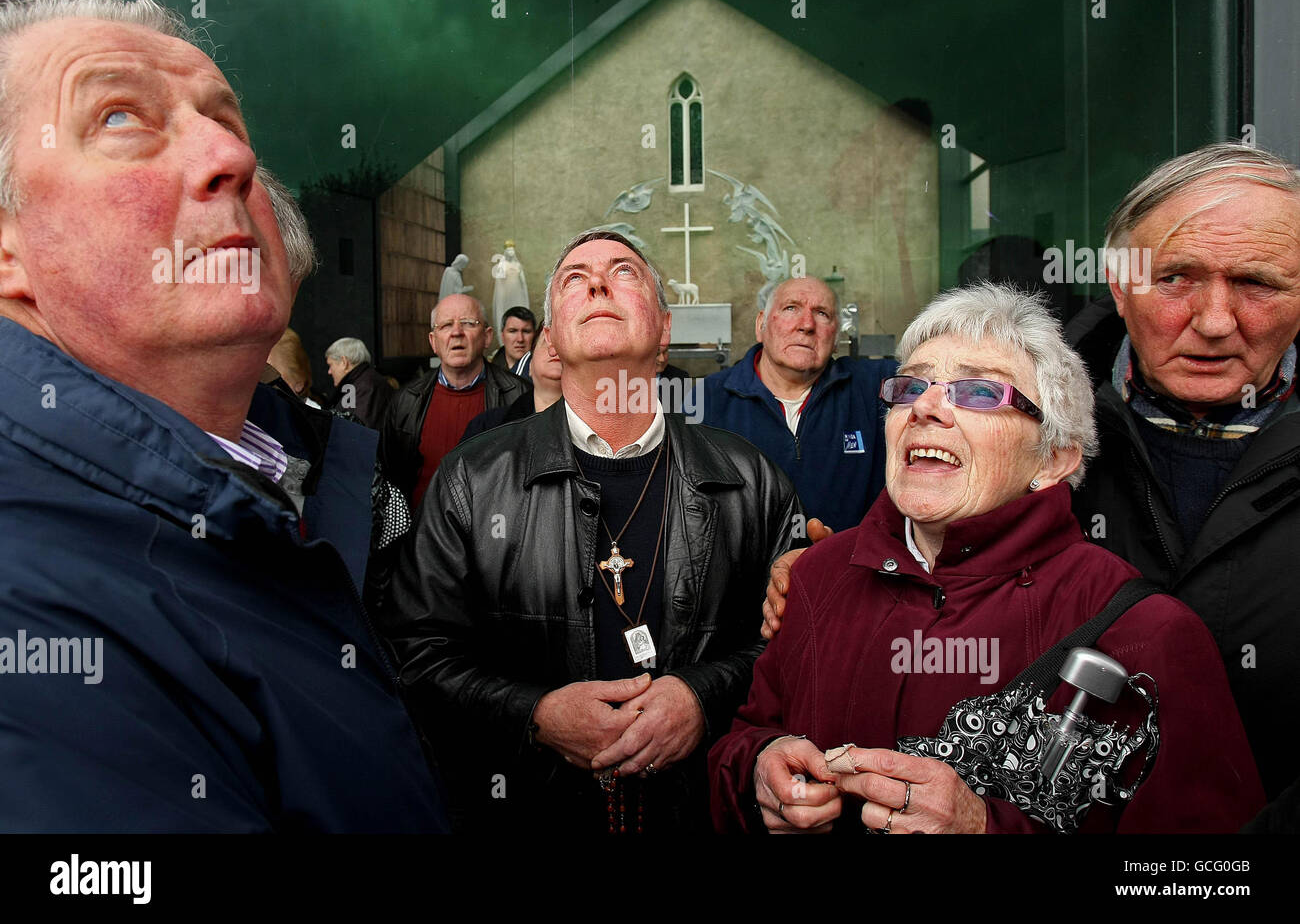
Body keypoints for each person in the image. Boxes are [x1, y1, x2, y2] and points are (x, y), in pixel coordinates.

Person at [0, 0, 445, 831]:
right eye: (122, 117)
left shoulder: (296, 469)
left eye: (226, 119)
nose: (232, 159)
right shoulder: (30, 613)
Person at [710, 283, 1262, 833]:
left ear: (1053, 458)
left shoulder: (1146, 633)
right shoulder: (815, 576)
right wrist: (759, 767)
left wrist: (985, 828)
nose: (926, 407)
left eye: (977, 392)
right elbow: (745, 738)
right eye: (911, 386)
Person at [380, 229, 801, 833]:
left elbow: (794, 647)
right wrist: (536, 715)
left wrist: (702, 698)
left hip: (702, 812)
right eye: (575, 278)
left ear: (663, 328)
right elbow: (416, 654)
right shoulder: (474, 477)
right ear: (550, 340)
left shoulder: (749, 478)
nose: (599, 282)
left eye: (624, 272)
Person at [1063, 143, 1300, 825]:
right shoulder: (1021, 437)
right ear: (1117, 284)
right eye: (1175, 279)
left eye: (1258, 283)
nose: (1217, 322)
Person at [699, 276, 897, 533]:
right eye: (791, 308)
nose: (806, 325)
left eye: (822, 313)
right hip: (745, 572)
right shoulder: (707, 399)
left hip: (845, 567)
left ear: (836, 336)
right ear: (761, 325)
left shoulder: (873, 389)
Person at [379, 292, 528, 506]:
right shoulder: (406, 401)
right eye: (446, 325)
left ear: (487, 337)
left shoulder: (519, 395)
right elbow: (391, 478)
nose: (456, 333)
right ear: (433, 341)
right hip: (422, 533)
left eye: (468, 323)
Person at [461, 327, 562, 440]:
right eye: (547, 341)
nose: (555, 349)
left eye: (564, 342)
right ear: (529, 365)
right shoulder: (485, 427)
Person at [324, 336, 393, 428]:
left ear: (344, 362)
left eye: (330, 365)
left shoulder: (366, 387)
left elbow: (358, 433)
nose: (329, 371)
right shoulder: (363, 383)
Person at [491, 305, 536, 377]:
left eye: (526, 331)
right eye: (513, 331)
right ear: (502, 335)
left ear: (535, 335)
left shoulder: (542, 371)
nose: (520, 339)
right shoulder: (488, 371)